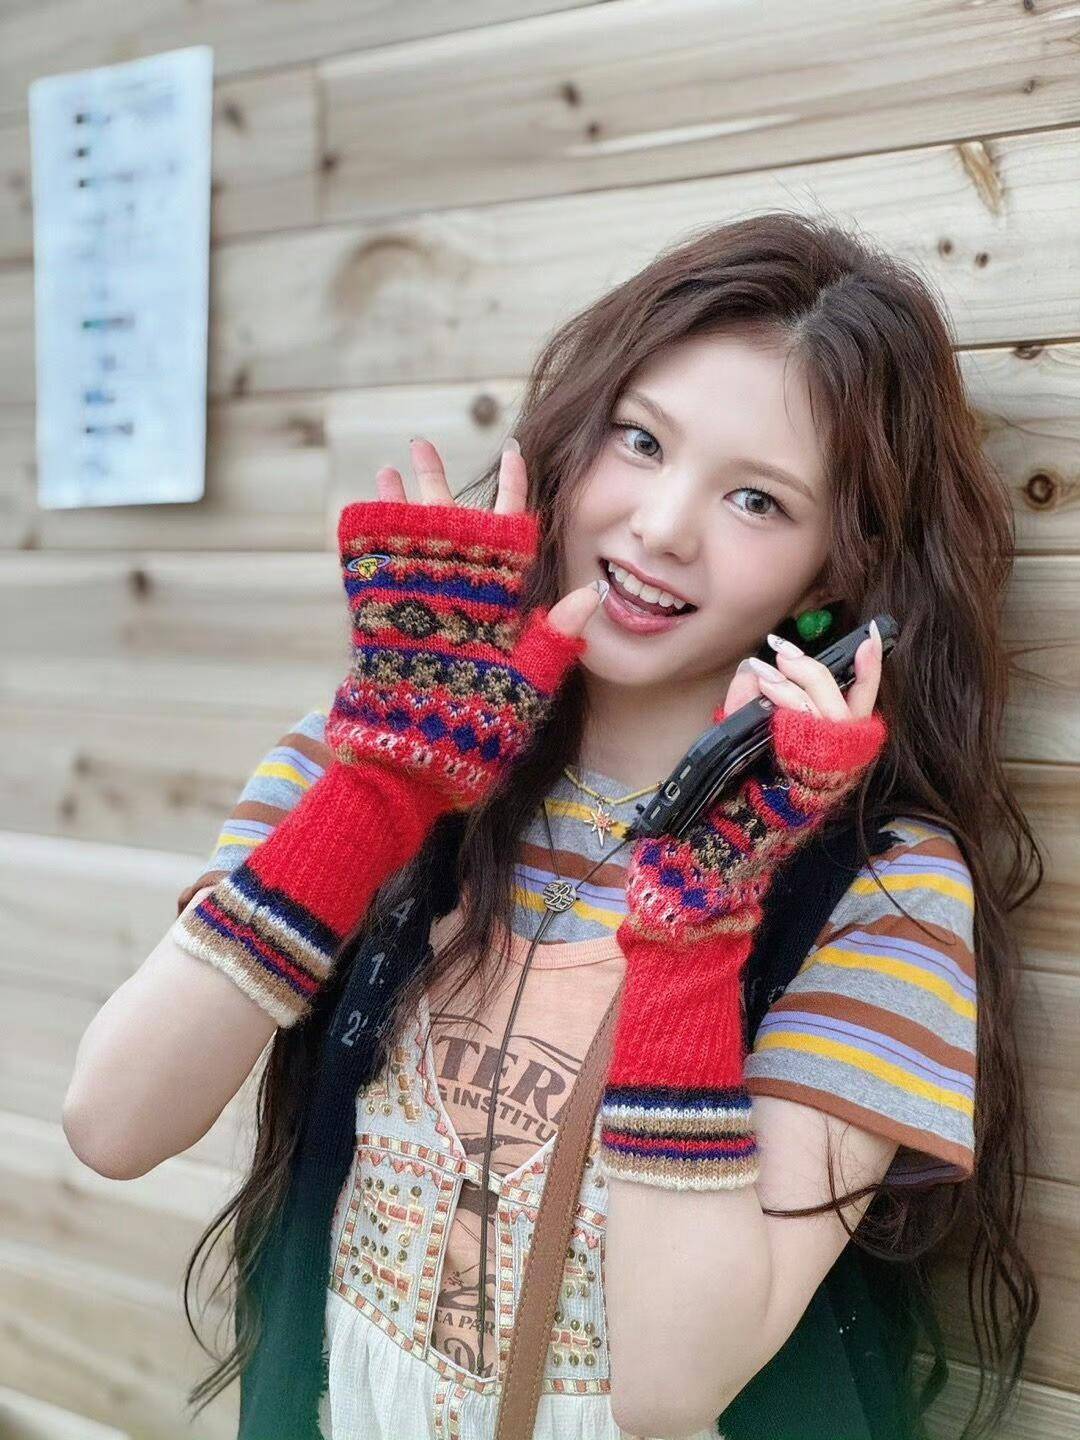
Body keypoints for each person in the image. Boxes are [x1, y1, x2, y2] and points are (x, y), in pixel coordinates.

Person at [64, 211, 1041, 1440]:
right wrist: (380, 794)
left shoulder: (880, 886)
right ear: (575, 441)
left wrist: (695, 933)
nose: (663, 525)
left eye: (757, 499)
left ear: (834, 572)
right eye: (642, 440)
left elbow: (675, 1387)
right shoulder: (362, 751)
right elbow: (113, 1124)